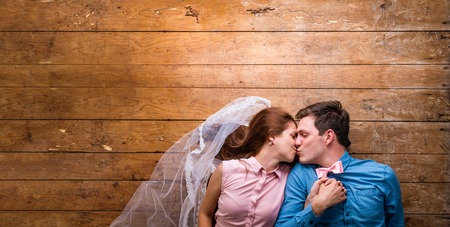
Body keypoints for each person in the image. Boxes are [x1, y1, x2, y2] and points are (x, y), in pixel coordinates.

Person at [198, 106, 346, 227]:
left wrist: (310, 203)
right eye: (293, 135)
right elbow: (205, 213)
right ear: (272, 136)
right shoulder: (227, 170)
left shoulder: (290, 177)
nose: (297, 142)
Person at [275, 101, 405, 226]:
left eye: (304, 134)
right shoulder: (300, 175)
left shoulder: (382, 175)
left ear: (328, 137)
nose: (296, 142)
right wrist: (316, 207)